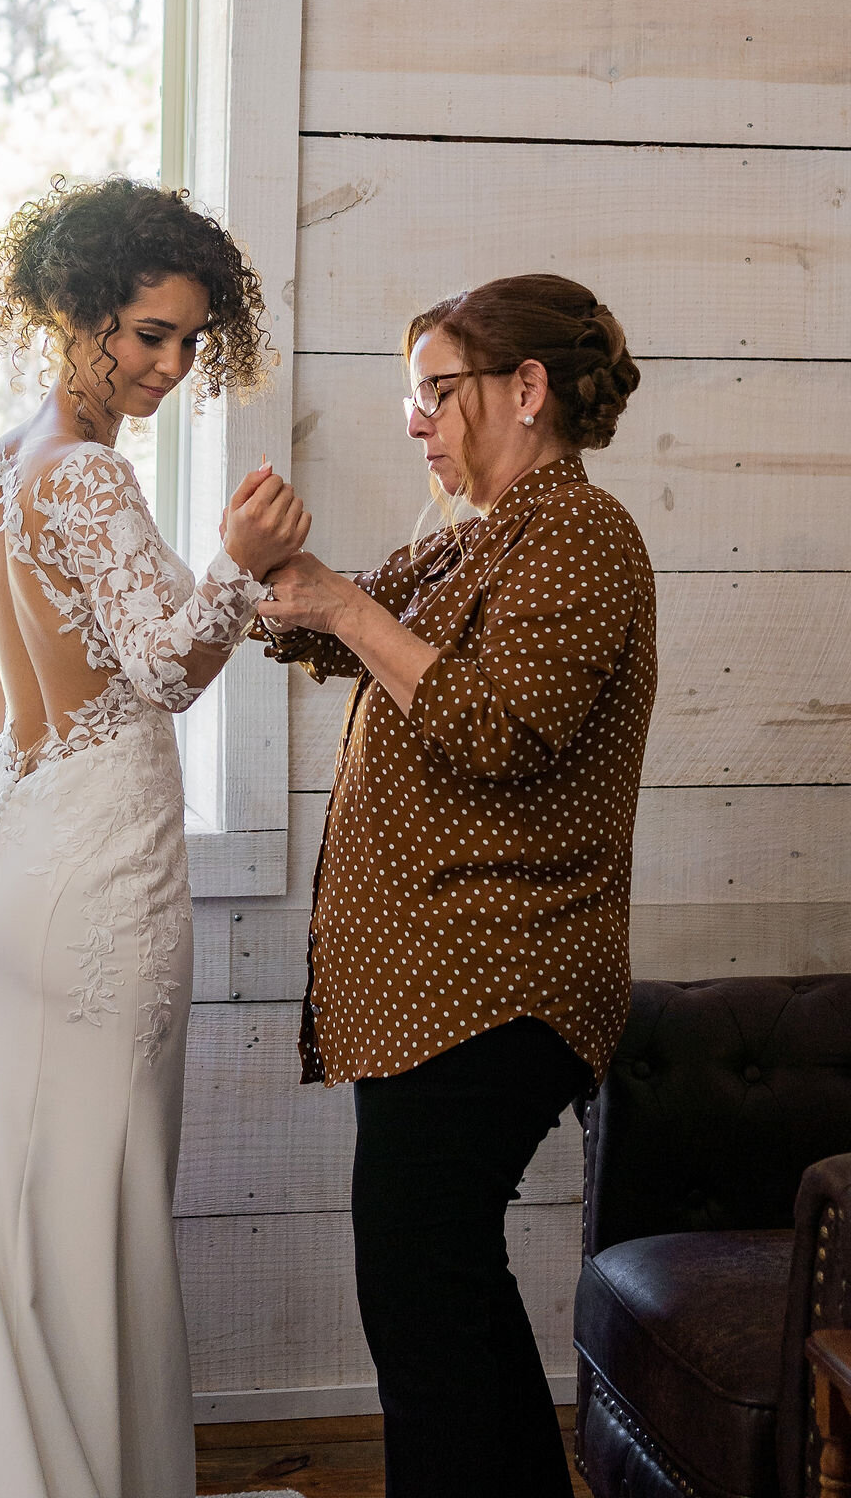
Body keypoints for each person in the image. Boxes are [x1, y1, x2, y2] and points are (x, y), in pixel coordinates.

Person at [0, 176, 308, 1498]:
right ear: (76, 314)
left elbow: (12, 702)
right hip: (93, 881)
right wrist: (240, 559)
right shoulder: (85, 473)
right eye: (146, 333)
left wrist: (237, 598)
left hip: (7, 852)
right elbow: (160, 671)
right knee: (84, 1196)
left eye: (190, 340)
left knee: (0, 1191)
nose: (167, 363)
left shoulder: (2, 468)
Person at [255, 274, 657, 1498]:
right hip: (443, 986)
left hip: (505, 981)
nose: (416, 422)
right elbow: (336, 625)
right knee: (444, 1284)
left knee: (421, 1297)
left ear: (523, 389)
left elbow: (499, 729)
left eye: (436, 391)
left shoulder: (582, 534)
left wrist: (334, 599)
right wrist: (288, 580)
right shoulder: (483, 537)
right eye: (411, 396)